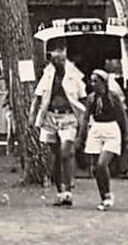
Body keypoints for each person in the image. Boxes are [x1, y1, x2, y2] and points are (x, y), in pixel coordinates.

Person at [30, 41, 86, 206]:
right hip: (50, 117)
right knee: (54, 157)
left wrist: (85, 119)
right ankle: (60, 192)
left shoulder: (74, 75)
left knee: (66, 152)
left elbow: (82, 98)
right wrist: (32, 116)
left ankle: (68, 189)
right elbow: (38, 96)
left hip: (68, 117)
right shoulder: (48, 75)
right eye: (55, 60)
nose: (58, 63)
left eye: (60, 60)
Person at [76, 69, 128, 210]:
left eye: (96, 81)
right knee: (94, 168)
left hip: (111, 129)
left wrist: (126, 135)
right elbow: (86, 117)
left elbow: (122, 116)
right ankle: (103, 195)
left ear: (104, 83)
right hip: (96, 129)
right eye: (92, 81)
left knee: (102, 164)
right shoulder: (91, 99)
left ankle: (108, 195)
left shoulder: (113, 97)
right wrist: (81, 137)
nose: (93, 84)